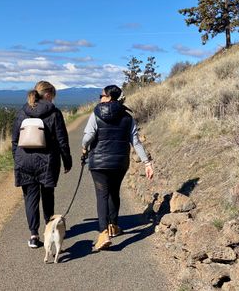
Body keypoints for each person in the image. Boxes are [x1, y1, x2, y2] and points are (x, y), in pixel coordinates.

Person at [82, 85, 154, 250]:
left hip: (99, 163)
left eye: (101, 95)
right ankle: (113, 226)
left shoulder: (96, 114)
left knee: (102, 196)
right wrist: (147, 163)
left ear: (108, 97)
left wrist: (84, 147)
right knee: (114, 192)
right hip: (119, 163)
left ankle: (103, 234)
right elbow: (135, 142)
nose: (100, 98)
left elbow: (88, 137)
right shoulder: (128, 117)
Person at [12, 81, 72, 248]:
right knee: (47, 196)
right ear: (47, 94)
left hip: (24, 161)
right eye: (52, 96)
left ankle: (33, 235)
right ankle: (49, 228)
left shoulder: (22, 112)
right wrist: (67, 161)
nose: (53, 100)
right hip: (47, 161)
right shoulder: (54, 113)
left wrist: (16, 160)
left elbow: (15, 140)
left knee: (30, 198)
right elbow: (62, 140)